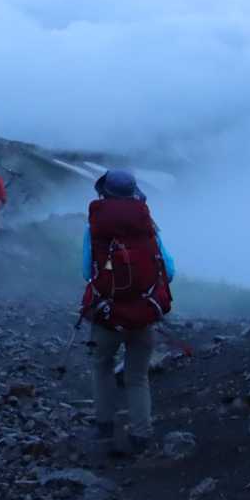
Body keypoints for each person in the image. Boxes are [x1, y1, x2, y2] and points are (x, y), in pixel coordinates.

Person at [79, 168, 175, 459]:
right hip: (143, 313)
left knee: (102, 366)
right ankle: (140, 435)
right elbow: (169, 270)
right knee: (137, 376)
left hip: (107, 313)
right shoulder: (148, 228)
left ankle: (104, 426)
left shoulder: (95, 229)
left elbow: (86, 271)